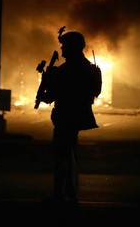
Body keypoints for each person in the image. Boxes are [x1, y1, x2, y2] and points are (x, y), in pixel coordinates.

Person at [41, 30, 102, 207]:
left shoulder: (67, 70)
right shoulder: (88, 68)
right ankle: (69, 193)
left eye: (65, 45)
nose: (62, 49)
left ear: (73, 47)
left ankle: (61, 193)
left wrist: (47, 84)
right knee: (70, 154)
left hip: (66, 116)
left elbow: (52, 95)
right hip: (77, 115)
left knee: (62, 155)